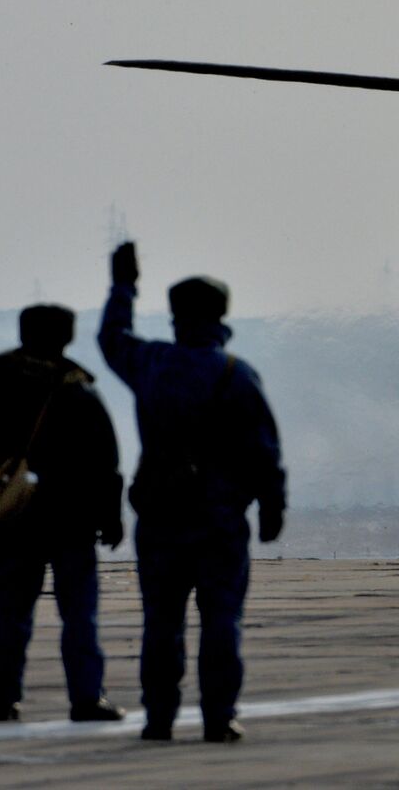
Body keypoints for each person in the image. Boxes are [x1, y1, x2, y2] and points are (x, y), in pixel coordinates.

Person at [98, 242, 286, 743]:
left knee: (161, 624)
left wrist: (122, 286)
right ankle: (218, 717)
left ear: (177, 315)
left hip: (160, 519)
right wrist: (272, 508)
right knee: (222, 620)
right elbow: (264, 452)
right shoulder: (237, 376)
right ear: (220, 316)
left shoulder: (151, 364)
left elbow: (111, 338)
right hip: (220, 523)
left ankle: (158, 718)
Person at [0, 304, 125, 723]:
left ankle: (2, 698)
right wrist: (111, 518)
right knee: (79, 617)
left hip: (16, 526)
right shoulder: (78, 393)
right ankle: (86, 697)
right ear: (68, 337)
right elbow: (106, 463)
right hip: (73, 524)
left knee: (12, 615)